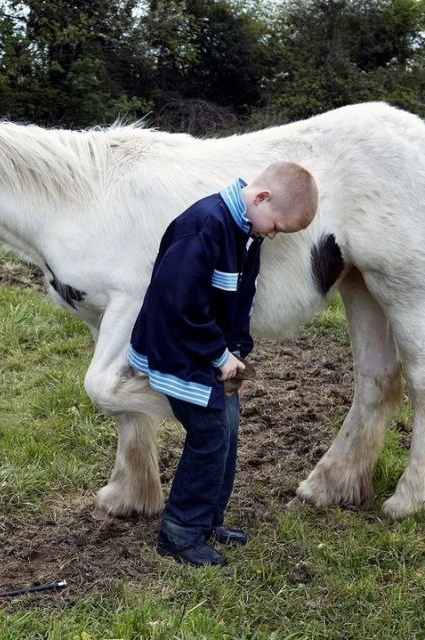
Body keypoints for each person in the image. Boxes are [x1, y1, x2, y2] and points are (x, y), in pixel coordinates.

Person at [128, 161, 318, 567]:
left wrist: (236, 352)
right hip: (179, 352)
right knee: (211, 435)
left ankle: (206, 521)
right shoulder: (204, 227)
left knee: (227, 431)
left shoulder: (245, 233)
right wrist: (218, 354)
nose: (272, 234)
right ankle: (179, 532)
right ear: (262, 198)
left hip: (210, 354)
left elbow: (238, 301)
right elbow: (181, 306)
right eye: (276, 227)